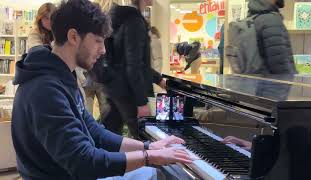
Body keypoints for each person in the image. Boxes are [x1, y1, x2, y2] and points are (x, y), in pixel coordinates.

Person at [11, 0, 192, 179]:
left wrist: (148, 147)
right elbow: (84, 163)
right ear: (73, 37)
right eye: (98, 41)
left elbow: (94, 131)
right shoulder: (45, 90)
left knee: (164, 172)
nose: (103, 50)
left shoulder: (61, 75)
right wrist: (148, 157)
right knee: (164, 175)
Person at [102, 0, 166, 137]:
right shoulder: (134, 21)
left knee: (111, 136)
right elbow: (134, 64)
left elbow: (124, 60)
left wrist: (159, 79)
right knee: (144, 138)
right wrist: (141, 102)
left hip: (114, 88)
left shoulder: (120, 18)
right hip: (129, 92)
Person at [248, 0, 297, 74]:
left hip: (256, 82)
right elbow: (280, 64)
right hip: (272, 83)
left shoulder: (252, 18)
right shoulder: (272, 20)